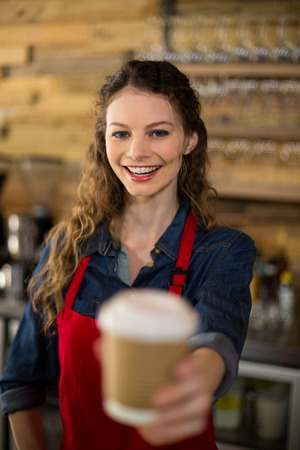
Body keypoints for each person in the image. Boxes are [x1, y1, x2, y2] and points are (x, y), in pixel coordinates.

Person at [0, 59, 256, 449]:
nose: (136, 152)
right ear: (104, 141)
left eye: (158, 132)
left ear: (190, 139)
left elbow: (215, 341)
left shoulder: (222, 253)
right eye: (121, 133)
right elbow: (20, 383)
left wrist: (193, 382)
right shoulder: (68, 246)